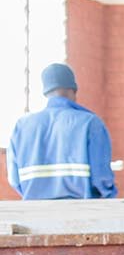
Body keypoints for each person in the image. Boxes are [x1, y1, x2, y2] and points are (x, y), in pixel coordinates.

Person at [6, 63, 114, 199]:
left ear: (45, 92)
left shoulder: (21, 126)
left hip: (34, 215)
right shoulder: (90, 123)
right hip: (82, 215)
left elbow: (14, 180)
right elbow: (101, 179)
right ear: (74, 90)